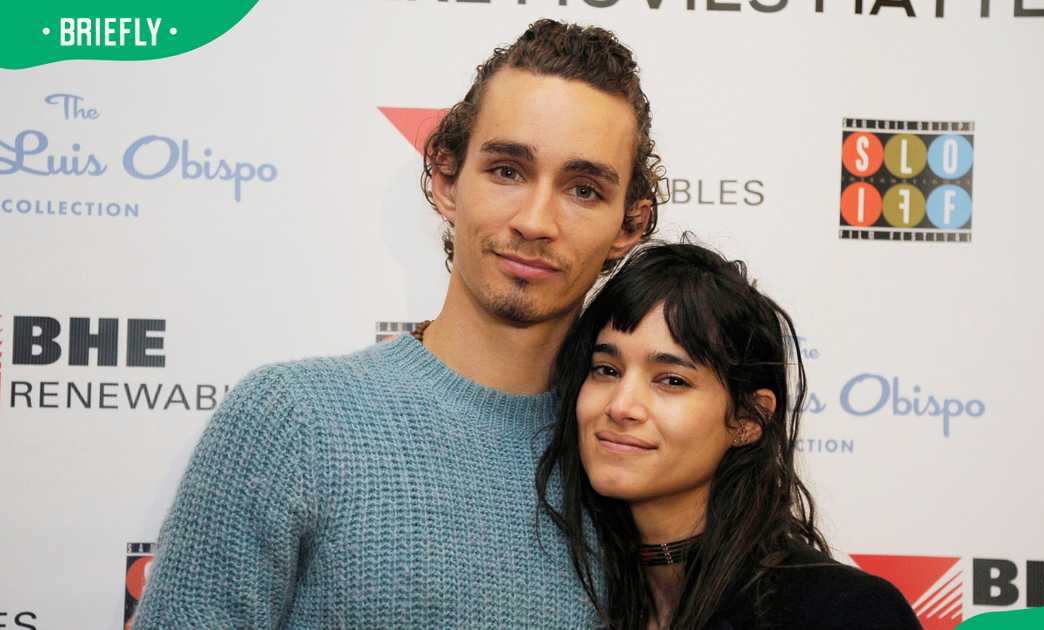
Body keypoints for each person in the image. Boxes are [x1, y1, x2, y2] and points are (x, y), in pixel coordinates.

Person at [133, 19, 662, 629]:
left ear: (628, 225)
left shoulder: (632, 454)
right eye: (507, 171)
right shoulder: (293, 420)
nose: (536, 221)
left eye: (583, 189)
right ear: (445, 179)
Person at [537, 242, 922, 630]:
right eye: (606, 370)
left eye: (672, 380)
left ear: (748, 419)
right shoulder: (563, 594)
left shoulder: (846, 612)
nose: (621, 406)